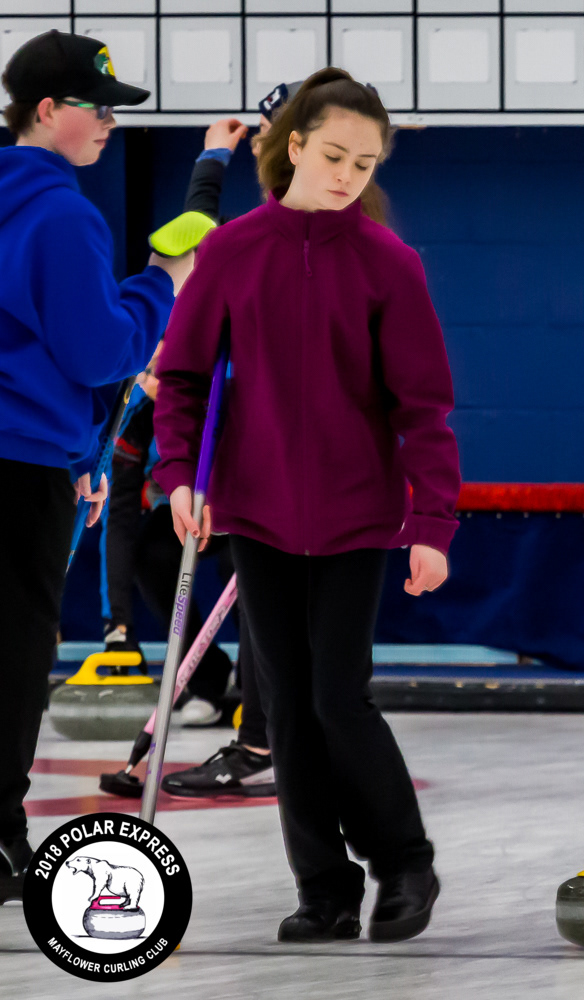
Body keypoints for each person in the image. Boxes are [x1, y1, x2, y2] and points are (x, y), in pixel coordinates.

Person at [153, 67, 459, 943]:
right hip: (255, 514)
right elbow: (182, 378)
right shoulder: (230, 251)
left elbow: (424, 407)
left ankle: (405, 862)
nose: (347, 176)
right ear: (294, 146)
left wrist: (433, 524)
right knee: (284, 707)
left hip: (357, 516)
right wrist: (180, 476)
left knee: (336, 699)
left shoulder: (390, 264)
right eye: (333, 156)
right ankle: (323, 888)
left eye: (365, 164)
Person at [0, 29, 192, 904]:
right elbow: (98, 352)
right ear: (48, 110)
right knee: (12, 653)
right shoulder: (62, 212)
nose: (111, 124)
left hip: (38, 451)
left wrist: (84, 453)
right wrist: (160, 280)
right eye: (99, 107)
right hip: (20, 466)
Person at [102, 118, 252, 729]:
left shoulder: (231, 314)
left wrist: (214, 155)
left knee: (258, 576)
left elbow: (201, 224)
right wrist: (117, 626)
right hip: (193, 502)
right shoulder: (143, 391)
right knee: (152, 555)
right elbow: (121, 514)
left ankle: (263, 704)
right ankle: (209, 680)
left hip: (255, 491)